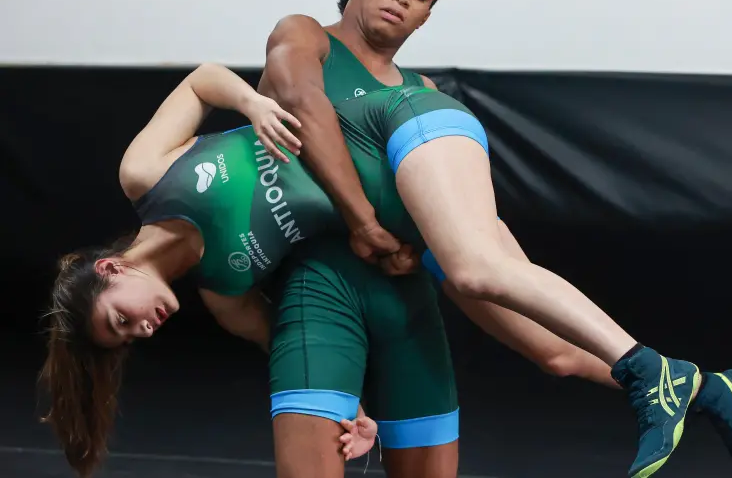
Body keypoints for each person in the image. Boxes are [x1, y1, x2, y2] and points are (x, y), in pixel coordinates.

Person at [257, 0, 732, 478]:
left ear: (426, 15)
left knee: (555, 349)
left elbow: (447, 210)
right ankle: (681, 381)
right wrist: (362, 221)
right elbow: (302, 102)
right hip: (325, 278)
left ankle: (711, 390)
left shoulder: (423, 94)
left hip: (407, 282)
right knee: (484, 277)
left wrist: (448, 252)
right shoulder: (306, 35)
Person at [38, 63, 460, 478]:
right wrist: (355, 410)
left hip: (376, 126)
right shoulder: (227, 293)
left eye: (121, 319)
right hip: (401, 201)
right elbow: (306, 350)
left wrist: (253, 105)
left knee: (478, 274)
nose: (144, 330)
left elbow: (202, 82)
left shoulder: (146, 175)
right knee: (464, 276)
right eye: (131, 336)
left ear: (110, 268)